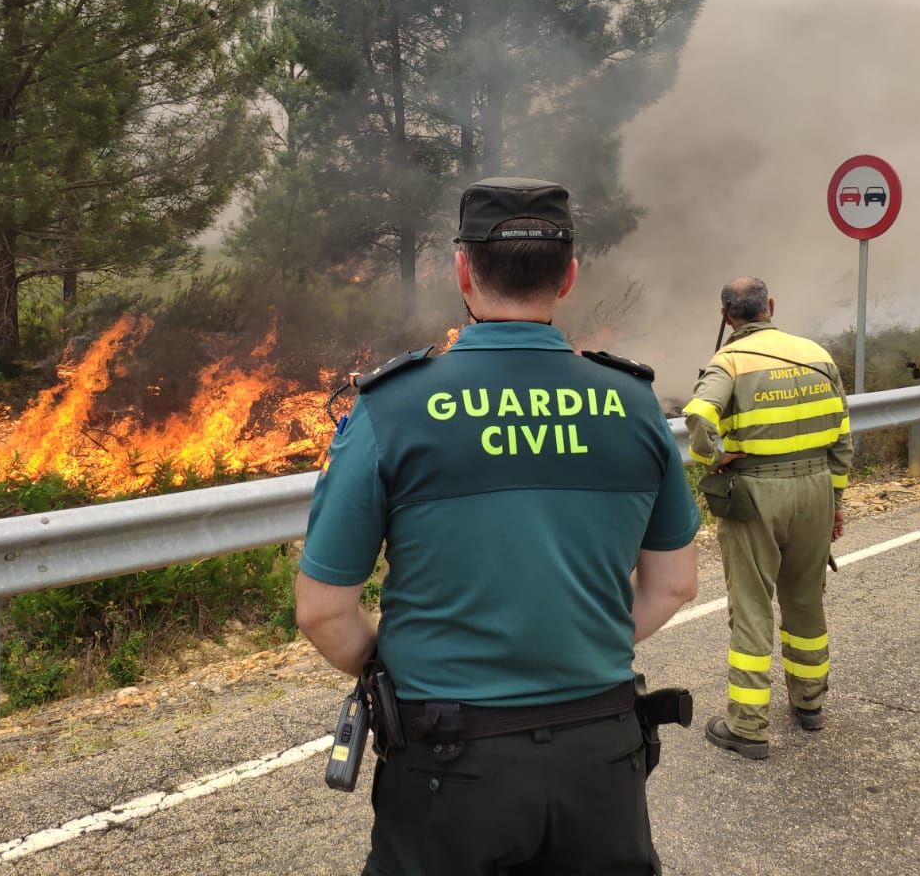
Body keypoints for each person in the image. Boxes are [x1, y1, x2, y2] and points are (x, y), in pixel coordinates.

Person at [296, 176, 701, 875]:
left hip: (448, 764)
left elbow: (325, 611)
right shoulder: (634, 405)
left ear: (461, 270)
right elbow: (673, 586)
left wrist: (398, 669)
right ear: (569, 275)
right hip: (600, 756)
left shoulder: (392, 409)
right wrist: (573, 640)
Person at [683, 278, 851, 761]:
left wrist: (714, 458)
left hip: (756, 494)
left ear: (726, 315)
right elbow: (841, 435)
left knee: (753, 606)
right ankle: (810, 704)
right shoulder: (816, 354)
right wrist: (836, 501)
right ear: (770, 307)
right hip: (816, 489)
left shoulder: (730, 361)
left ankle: (748, 725)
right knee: (805, 599)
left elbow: (698, 413)